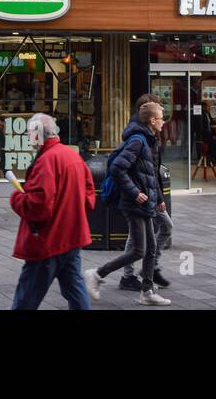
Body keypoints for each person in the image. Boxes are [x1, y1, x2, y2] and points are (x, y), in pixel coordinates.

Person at [85, 101, 171, 306]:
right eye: (161, 118)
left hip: (146, 203)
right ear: (152, 120)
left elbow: (150, 174)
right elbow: (116, 168)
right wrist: (135, 193)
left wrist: (158, 199)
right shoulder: (138, 141)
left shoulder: (150, 140)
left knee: (150, 249)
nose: (163, 122)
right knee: (138, 251)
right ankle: (96, 274)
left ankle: (147, 292)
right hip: (134, 204)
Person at [9, 113, 97, 309]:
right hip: (72, 237)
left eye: (30, 133)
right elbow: (89, 196)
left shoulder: (46, 161)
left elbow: (38, 206)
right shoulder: (72, 155)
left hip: (49, 240)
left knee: (26, 297)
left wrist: (16, 198)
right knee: (75, 290)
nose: (29, 138)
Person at [119, 94, 174, 293]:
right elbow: (120, 168)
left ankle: (147, 270)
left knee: (157, 232)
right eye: (159, 111)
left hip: (150, 192)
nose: (162, 116)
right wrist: (136, 192)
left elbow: (152, 168)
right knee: (139, 242)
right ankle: (123, 275)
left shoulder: (149, 134)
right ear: (148, 113)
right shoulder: (139, 137)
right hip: (141, 195)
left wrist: (158, 196)